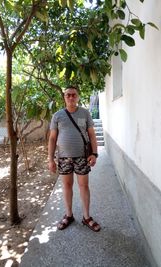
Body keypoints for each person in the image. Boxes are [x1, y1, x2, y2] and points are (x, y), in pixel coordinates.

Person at [48, 86, 101, 232]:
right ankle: (69, 215)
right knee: (67, 186)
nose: (71, 97)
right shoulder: (57, 116)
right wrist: (50, 159)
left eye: (74, 95)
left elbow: (91, 135)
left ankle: (86, 217)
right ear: (64, 97)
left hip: (82, 157)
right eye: (68, 95)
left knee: (84, 186)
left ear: (78, 97)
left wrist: (94, 153)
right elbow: (52, 139)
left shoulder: (85, 113)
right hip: (64, 158)